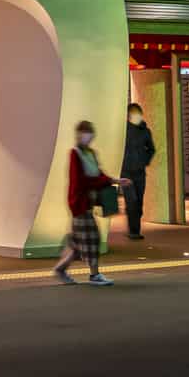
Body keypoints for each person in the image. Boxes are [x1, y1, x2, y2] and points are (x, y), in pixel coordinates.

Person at [53, 119, 129, 286]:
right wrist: (107, 181)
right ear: (79, 135)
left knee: (78, 243)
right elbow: (80, 180)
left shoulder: (90, 153)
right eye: (85, 133)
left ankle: (60, 269)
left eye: (89, 133)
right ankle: (94, 275)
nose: (88, 136)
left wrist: (114, 180)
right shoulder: (75, 153)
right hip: (79, 203)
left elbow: (98, 174)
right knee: (92, 238)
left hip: (87, 203)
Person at [119, 103, 156, 241]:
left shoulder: (145, 131)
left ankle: (136, 230)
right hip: (126, 172)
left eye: (138, 113)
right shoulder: (123, 130)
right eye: (133, 114)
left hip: (140, 172)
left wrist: (144, 161)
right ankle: (132, 231)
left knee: (139, 202)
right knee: (131, 201)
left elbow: (151, 149)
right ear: (128, 116)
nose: (136, 116)